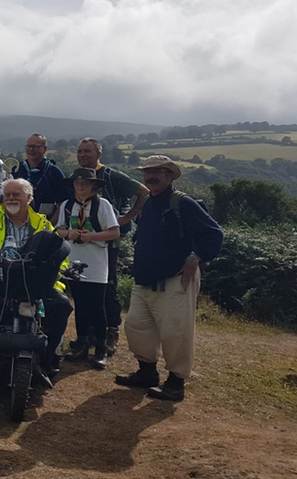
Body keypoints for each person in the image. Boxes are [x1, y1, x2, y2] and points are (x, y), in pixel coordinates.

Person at [115, 156, 223, 402]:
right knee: (137, 328)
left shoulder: (183, 203)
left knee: (176, 333)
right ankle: (147, 373)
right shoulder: (149, 203)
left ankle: (175, 384)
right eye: (148, 172)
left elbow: (214, 235)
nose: (151, 176)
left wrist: (195, 258)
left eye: (158, 172)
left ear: (170, 175)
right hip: (144, 279)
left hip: (175, 281)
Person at [0, 179, 73, 373]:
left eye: (16, 194)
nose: (10, 198)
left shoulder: (43, 223)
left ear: (29, 197)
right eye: (7, 194)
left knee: (61, 305)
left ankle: (50, 354)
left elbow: (59, 253)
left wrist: (55, 275)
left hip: (33, 286)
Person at [77, 137, 150, 355]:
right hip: (84, 241)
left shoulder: (111, 175)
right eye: (79, 151)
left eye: (87, 151)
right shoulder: (79, 176)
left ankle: (110, 333)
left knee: (107, 286)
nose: (82, 155)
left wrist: (127, 217)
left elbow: (144, 192)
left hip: (109, 241)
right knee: (84, 285)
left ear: (99, 154)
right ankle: (89, 334)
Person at [57, 168, 120, 369]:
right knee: (80, 305)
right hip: (73, 261)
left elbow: (114, 232)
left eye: (85, 182)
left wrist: (91, 237)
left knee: (97, 306)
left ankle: (101, 348)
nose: (81, 185)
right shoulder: (67, 206)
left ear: (93, 184)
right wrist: (69, 233)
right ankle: (81, 343)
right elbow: (57, 230)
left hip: (96, 262)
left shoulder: (103, 205)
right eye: (78, 182)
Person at [13, 133, 67, 220]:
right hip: (18, 222)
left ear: (45, 149)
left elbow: (63, 203)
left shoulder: (54, 172)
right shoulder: (17, 170)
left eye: (35, 147)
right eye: (28, 146)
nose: (31, 149)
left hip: (45, 223)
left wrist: (50, 225)